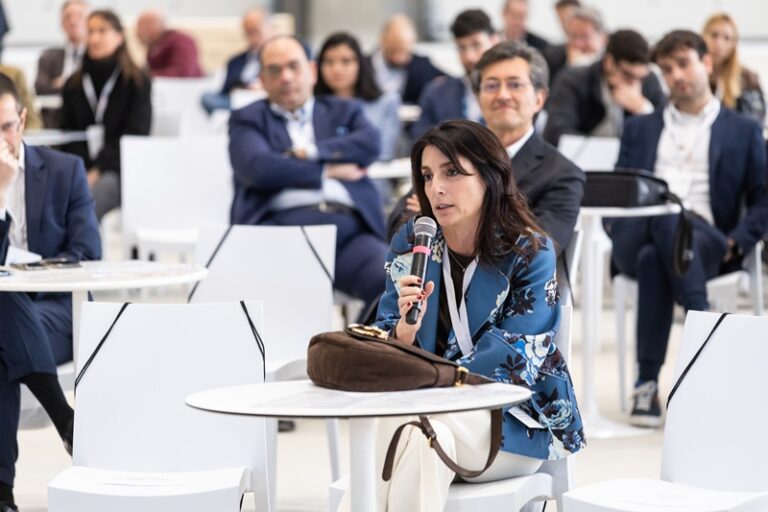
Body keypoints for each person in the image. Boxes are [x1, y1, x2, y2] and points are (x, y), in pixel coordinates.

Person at [369, 120, 584, 511]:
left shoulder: (530, 251)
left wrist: (431, 385)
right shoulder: (413, 241)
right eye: (427, 176)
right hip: (430, 417)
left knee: (408, 426)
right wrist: (403, 332)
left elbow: (515, 355)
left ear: (489, 176)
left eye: (452, 172)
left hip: (513, 421)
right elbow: (381, 345)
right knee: (422, 436)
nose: (436, 188)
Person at [609, 30, 768, 427]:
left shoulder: (743, 129)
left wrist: (736, 242)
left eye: (683, 64)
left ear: (707, 64)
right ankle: (703, 331)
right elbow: (618, 190)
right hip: (639, 234)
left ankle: (646, 383)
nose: (675, 76)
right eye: (666, 69)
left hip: (711, 242)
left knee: (656, 256)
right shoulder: (640, 128)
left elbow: (764, 199)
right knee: (666, 215)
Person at [0, 72, 101, 512]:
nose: (1, 140)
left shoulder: (64, 170)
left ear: (23, 119)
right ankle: (66, 419)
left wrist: (23, 269)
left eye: (6, 127)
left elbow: (87, 251)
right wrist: (0, 193)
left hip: (58, 309)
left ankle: (1, 492)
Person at [228, 35, 387, 311]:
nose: (286, 77)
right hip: (277, 233)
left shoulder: (344, 111)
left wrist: (311, 153)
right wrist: (328, 170)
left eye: (294, 66)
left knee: (394, 284)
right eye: (274, 70)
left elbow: (370, 145)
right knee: (276, 304)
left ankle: (355, 340)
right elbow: (258, 169)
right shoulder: (248, 118)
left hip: (347, 233)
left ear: (312, 71)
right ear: (262, 80)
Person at [389, 42, 584, 261]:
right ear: (478, 98)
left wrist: (446, 217)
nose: (503, 95)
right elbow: (397, 225)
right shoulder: (450, 153)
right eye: (491, 86)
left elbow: (537, 250)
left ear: (539, 98)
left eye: (515, 85)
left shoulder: (562, 174)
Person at [59, 9, 152, 220]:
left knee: (86, 203)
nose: (94, 38)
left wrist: (98, 169)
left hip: (120, 169)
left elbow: (135, 133)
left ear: (119, 36)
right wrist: (81, 170)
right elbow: (68, 133)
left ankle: (83, 243)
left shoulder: (136, 81)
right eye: (90, 31)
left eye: (102, 31)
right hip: (79, 168)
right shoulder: (74, 84)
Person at [543, 29, 666, 147]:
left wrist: (644, 110)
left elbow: (667, 132)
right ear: (609, 62)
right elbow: (556, 133)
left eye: (640, 77)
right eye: (628, 75)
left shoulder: (649, 81)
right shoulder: (574, 80)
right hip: (580, 158)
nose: (633, 84)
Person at [410, 9, 498, 139]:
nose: (469, 57)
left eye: (476, 45)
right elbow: (419, 140)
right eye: (461, 48)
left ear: (494, 41)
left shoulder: (509, 95)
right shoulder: (436, 93)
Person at [315, 32, 400, 162]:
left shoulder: (386, 102)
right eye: (329, 62)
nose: (336, 69)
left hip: (373, 171)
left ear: (360, 64)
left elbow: (383, 153)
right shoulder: (311, 105)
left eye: (346, 61)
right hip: (323, 173)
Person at [201, 8, 271, 114]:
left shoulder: (278, 58)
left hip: (262, 101)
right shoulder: (235, 61)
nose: (253, 38)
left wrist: (262, 88)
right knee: (207, 97)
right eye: (248, 33)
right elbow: (224, 92)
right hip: (235, 101)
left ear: (269, 28)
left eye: (256, 32)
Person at [703, 13, 766, 124]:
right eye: (714, 35)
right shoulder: (691, 75)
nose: (719, 43)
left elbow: (754, 123)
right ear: (703, 37)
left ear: (733, 45)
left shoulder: (748, 78)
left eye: (726, 38)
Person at [35, 0, 89, 127]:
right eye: (67, 17)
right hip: (54, 120)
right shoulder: (48, 57)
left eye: (79, 16)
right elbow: (41, 89)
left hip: (85, 120)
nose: (73, 21)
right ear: (62, 23)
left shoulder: (95, 58)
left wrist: (63, 83)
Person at [370, 14, 445, 105]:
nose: (399, 58)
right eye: (395, 49)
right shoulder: (363, 65)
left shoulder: (422, 66)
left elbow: (447, 81)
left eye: (404, 51)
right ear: (383, 40)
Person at [543, 6, 606, 86]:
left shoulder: (612, 63)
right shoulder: (552, 58)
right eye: (573, 36)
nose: (578, 43)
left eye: (584, 36)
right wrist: (572, 68)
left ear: (603, 38)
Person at [135, 9, 203, 78]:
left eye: (145, 25)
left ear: (159, 25)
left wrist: (144, 76)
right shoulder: (156, 45)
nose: (139, 32)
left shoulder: (181, 41)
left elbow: (182, 72)